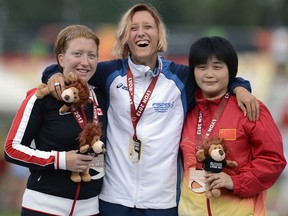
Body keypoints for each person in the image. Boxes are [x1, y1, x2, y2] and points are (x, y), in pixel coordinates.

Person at [42, 4, 259, 216]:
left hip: (163, 202)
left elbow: (212, 77)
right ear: (125, 37)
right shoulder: (109, 72)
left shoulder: (181, 78)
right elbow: (77, 69)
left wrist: (240, 86)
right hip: (113, 198)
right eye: (133, 28)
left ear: (159, 34)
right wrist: (53, 74)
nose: (140, 33)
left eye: (148, 27)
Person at [4, 24, 107, 216]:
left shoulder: (103, 96)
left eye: (91, 55)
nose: (85, 62)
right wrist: (60, 160)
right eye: (77, 54)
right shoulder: (40, 98)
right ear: (61, 58)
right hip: (43, 207)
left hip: (91, 210)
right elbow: (11, 149)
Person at [178, 36, 286, 216]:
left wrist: (236, 181)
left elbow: (273, 160)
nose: (209, 74)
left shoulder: (248, 108)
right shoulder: (184, 109)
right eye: (201, 67)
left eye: (217, 67)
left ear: (230, 70)